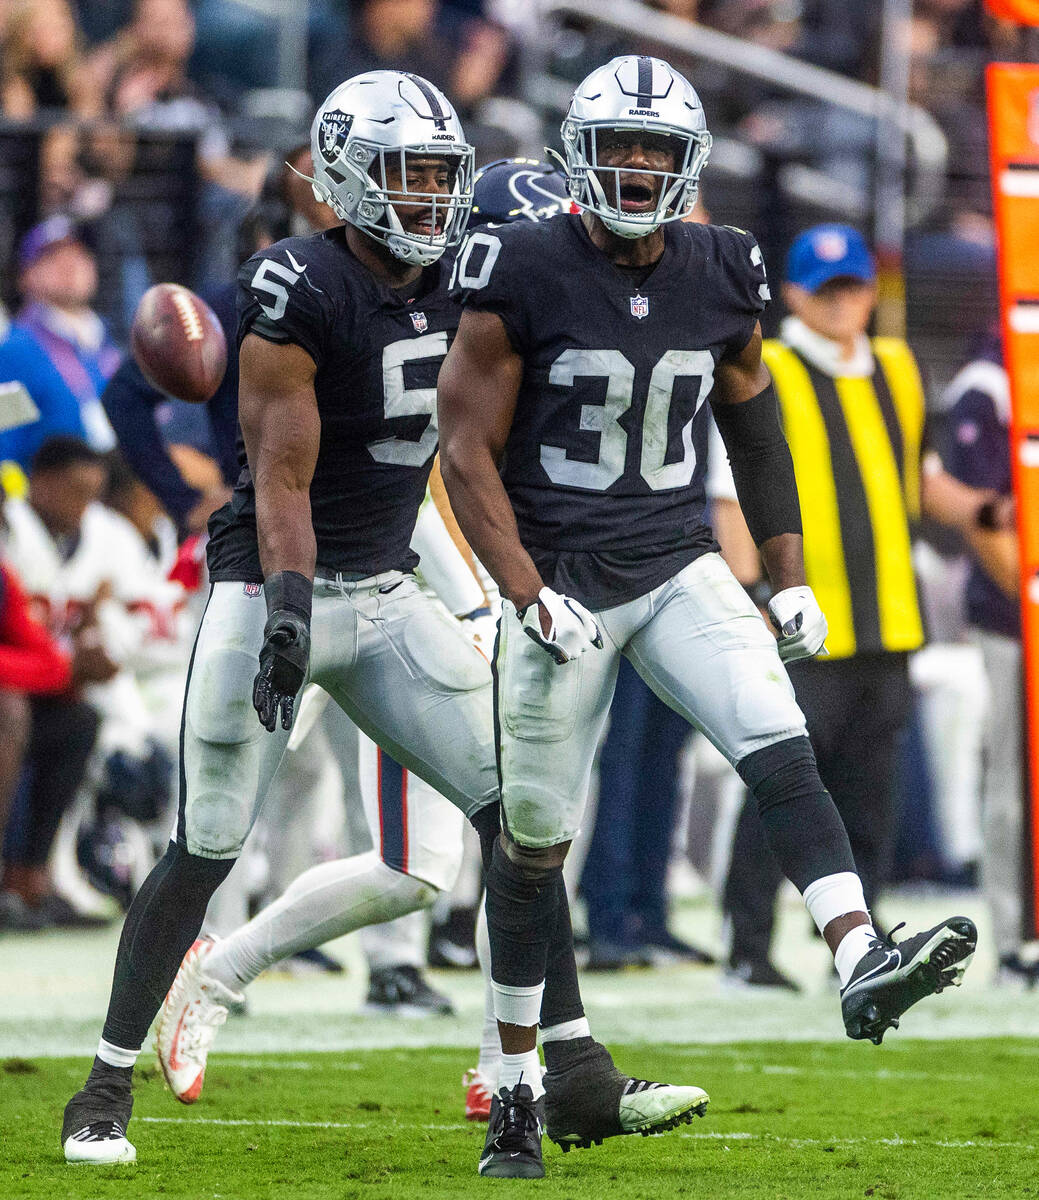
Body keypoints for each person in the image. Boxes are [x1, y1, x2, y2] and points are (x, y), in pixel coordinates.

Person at [60, 72, 680, 1170]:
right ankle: (102, 1092)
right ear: (344, 175)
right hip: (274, 586)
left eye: (445, 173)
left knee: (517, 823)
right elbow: (283, 480)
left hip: (391, 591)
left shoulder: (470, 275)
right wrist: (290, 615)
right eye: (409, 173)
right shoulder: (293, 282)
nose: (434, 195)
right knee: (206, 840)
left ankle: (550, 1072)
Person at [438, 55, 978, 1179]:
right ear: (579, 152)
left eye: (656, 147)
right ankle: (516, 1091)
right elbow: (464, 448)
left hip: (673, 556)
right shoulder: (523, 263)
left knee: (778, 740)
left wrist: (781, 569)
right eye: (619, 144)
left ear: (689, 163)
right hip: (560, 580)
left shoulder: (722, 264)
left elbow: (753, 423)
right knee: (532, 851)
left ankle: (857, 954)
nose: (637, 165)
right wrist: (521, 589)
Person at [714, 225, 1005, 985]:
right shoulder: (764, 366)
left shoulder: (897, 367)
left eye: (854, 287)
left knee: (869, 794)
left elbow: (922, 476)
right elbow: (729, 491)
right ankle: (746, 943)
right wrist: (753, 596)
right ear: (797, 293)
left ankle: (864, 950)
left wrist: (987, 513)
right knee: (782, 784)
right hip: (804, 621)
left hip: (889, 616)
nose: (843, 303)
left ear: (872, 293)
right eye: (826, 289)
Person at [942, 336, 1036, 984]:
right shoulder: (989, 378)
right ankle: (1013, 940)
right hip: (1013, 617)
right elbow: (978, 513)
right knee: (1013, 774)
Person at [0, 217, 120, 474]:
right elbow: (4, 444)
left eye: (80, 254)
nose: (70, 264)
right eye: (52, 258)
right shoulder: (15, 351)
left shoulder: (113, 350)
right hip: (44, 503)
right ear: (26, 276)